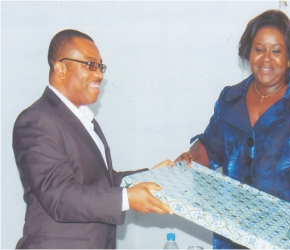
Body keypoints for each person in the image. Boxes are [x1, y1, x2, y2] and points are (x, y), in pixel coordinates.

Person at [175, 10, 290, 249]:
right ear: (249, 53)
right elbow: (210, 146)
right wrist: (190, 157)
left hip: (289, 236)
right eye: (259, 49)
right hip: (232, 234)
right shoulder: (231, 98)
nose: (266, 59)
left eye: (276, 51)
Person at [12, 29, 173, 249]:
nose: (99, 75)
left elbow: (100, 182)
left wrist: (153, 176)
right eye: (90, 65)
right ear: (60, 68)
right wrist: (126, 199)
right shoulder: (36, 120)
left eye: (100, 66)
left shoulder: (85, 120)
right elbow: (61, 196)